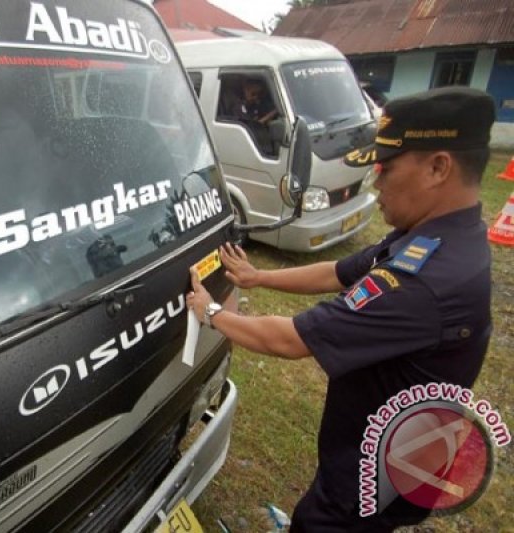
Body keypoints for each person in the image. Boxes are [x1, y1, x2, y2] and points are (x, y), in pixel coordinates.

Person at [186, 86, 495, 531]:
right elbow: (338, 271)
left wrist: (210, 311)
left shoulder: (425, 281)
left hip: (368, 481)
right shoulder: (434, 238)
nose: (375, 182)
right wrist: (259, 277)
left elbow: (291, 340)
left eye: (386, 169)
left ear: (437, 167)